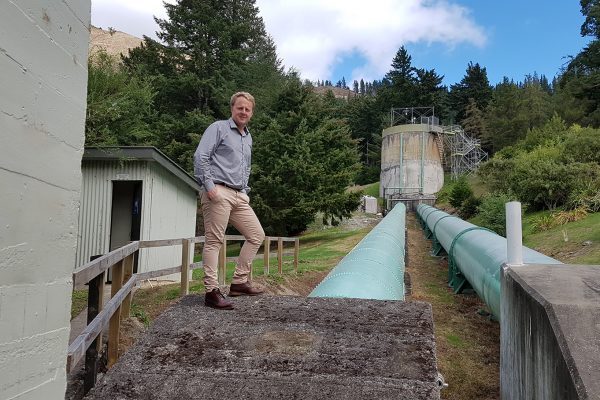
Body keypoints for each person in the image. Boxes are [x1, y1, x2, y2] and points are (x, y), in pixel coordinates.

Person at [194, 92, 265, 310]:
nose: (243, 112)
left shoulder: (248, 137)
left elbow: (245, 167)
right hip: (217, 191)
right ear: (232, 109)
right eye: (240, 108)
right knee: (215, 241)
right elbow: (200, 156)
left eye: (247, 109)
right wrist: (210, 187)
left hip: (238, 195)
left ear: (251, 113)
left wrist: (244, 190)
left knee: (256, 235)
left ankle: (239, 282)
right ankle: (211, 292)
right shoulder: (219, 128)